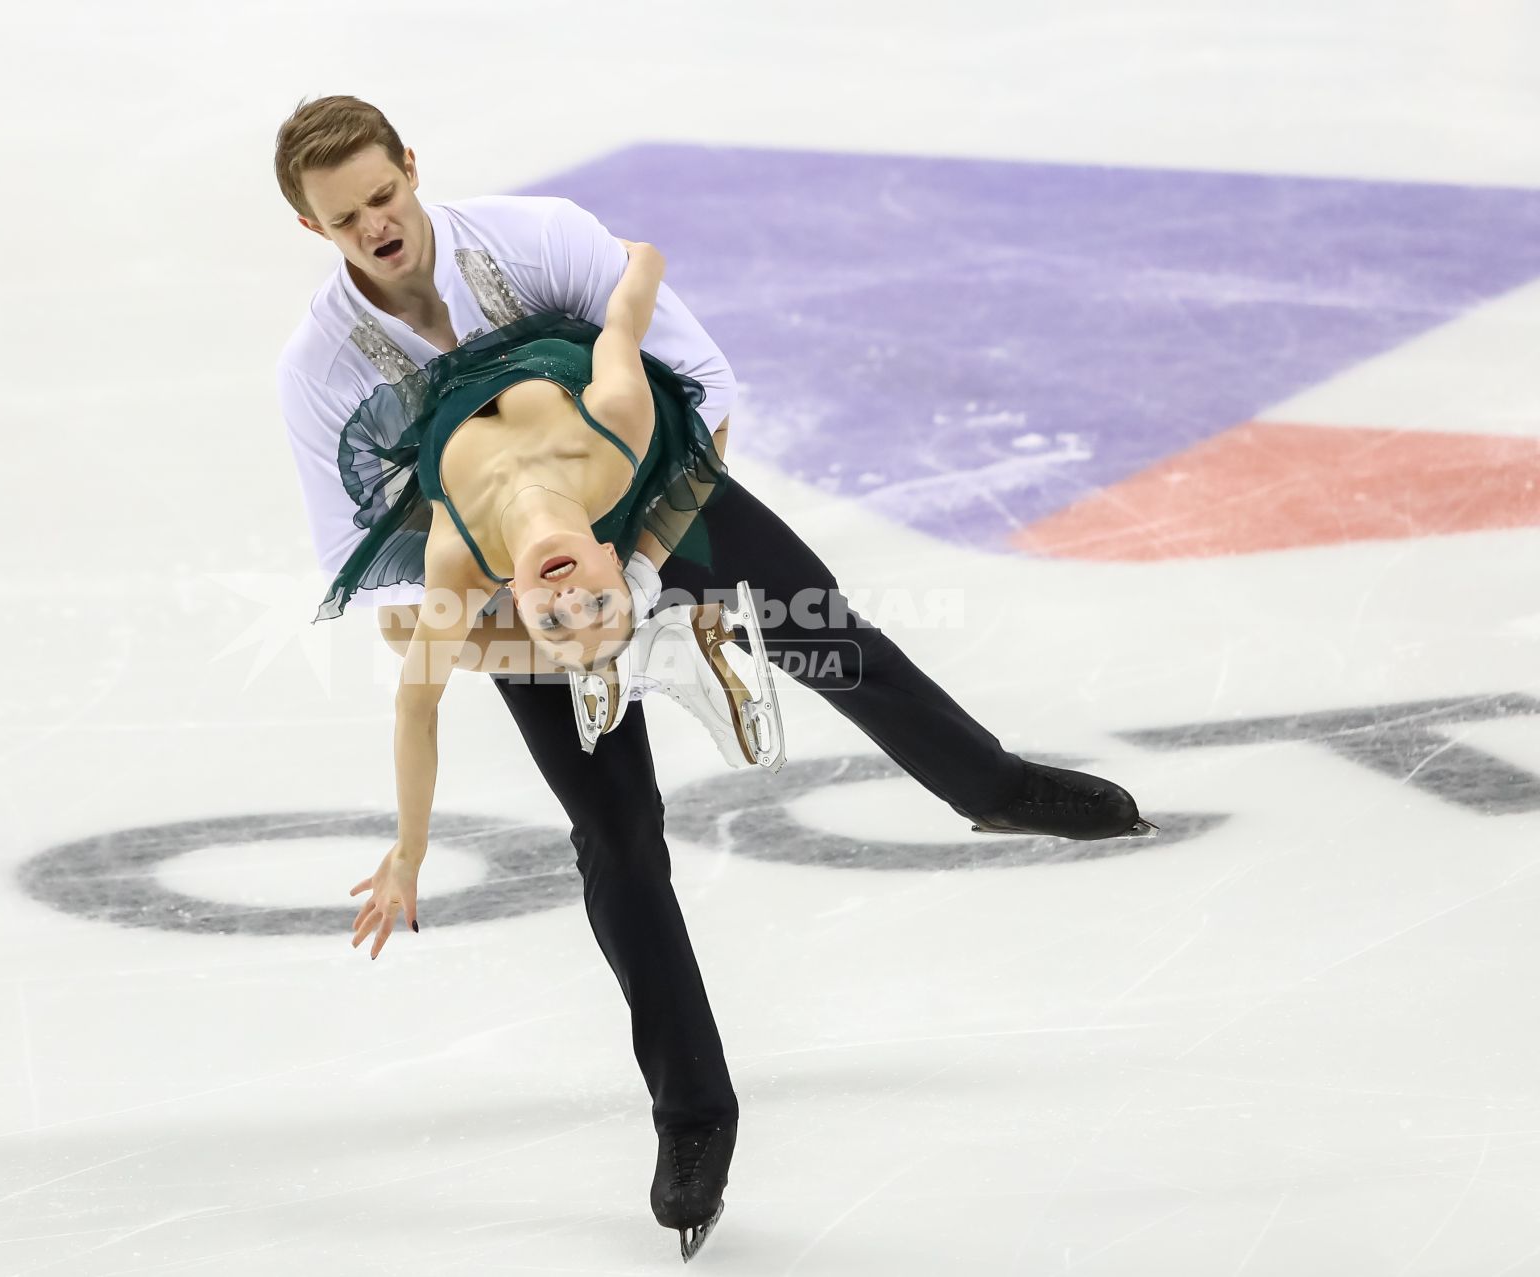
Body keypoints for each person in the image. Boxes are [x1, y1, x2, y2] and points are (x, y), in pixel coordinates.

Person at [272, 95, 1148, 1260]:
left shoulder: (538, 242)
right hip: (519, 571)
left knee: (824, 630)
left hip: (642, 489)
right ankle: (693, 1117)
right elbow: (399, 630)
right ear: (313, 229)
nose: (377, 224)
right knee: (615, 834)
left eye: (385, 195)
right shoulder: (322, 372)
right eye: (346, 218)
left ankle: (987, 784)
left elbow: (707, 407)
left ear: (411, 170)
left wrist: (629, 569)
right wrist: (562, 629)